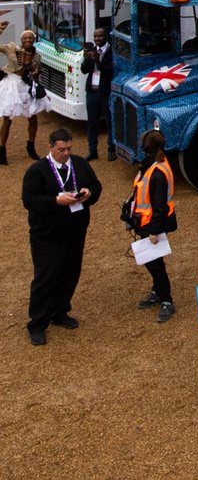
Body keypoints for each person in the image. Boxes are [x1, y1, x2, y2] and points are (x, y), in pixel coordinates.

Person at [22, 127, 102, 345]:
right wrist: (56, 201)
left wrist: (89, 194)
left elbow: (96, 185)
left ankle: (59, 312)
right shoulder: (37, 171)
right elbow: (29, 200)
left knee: (70, 274)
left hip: (75, 233)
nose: (65, 153)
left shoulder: (79, 164)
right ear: (50, 147)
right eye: (61, 149)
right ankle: (37, 324)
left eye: (68, 148)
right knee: (45, 279)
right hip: (47, 237)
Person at [132, 129, 178, 322]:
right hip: (149, 222)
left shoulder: (157, 172)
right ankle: (157, 291)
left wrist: (153, 231)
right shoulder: (156, 165)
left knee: (155, 264)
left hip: (152, 224)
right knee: (154, 263)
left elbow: (159, 206)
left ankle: (166, 299)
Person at [0, 28, 52, 165]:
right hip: (11, 84)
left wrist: (34, 74)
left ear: (34, 40)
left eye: (30, 38)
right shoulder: (11, 48)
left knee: (33, 116)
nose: (28, 40)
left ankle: (31, 147)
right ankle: (2, 151)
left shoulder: (36, 56)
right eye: (25, 38)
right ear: (21, 40)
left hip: (26, 85)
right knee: (7, 118)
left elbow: (36, 72)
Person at [80, 27, 114, 161]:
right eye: (95, 37)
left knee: (109, 121)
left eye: (100, 36)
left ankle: (112, 149)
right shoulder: (92, 50)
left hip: (106, 92)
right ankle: (92, 150)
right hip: (92, 91)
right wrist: (86, 59)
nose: (97, 39)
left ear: (105, 36)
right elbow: (84, 70)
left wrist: (97, 61)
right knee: (92, 122)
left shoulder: (112, 52)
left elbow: (110, 70)